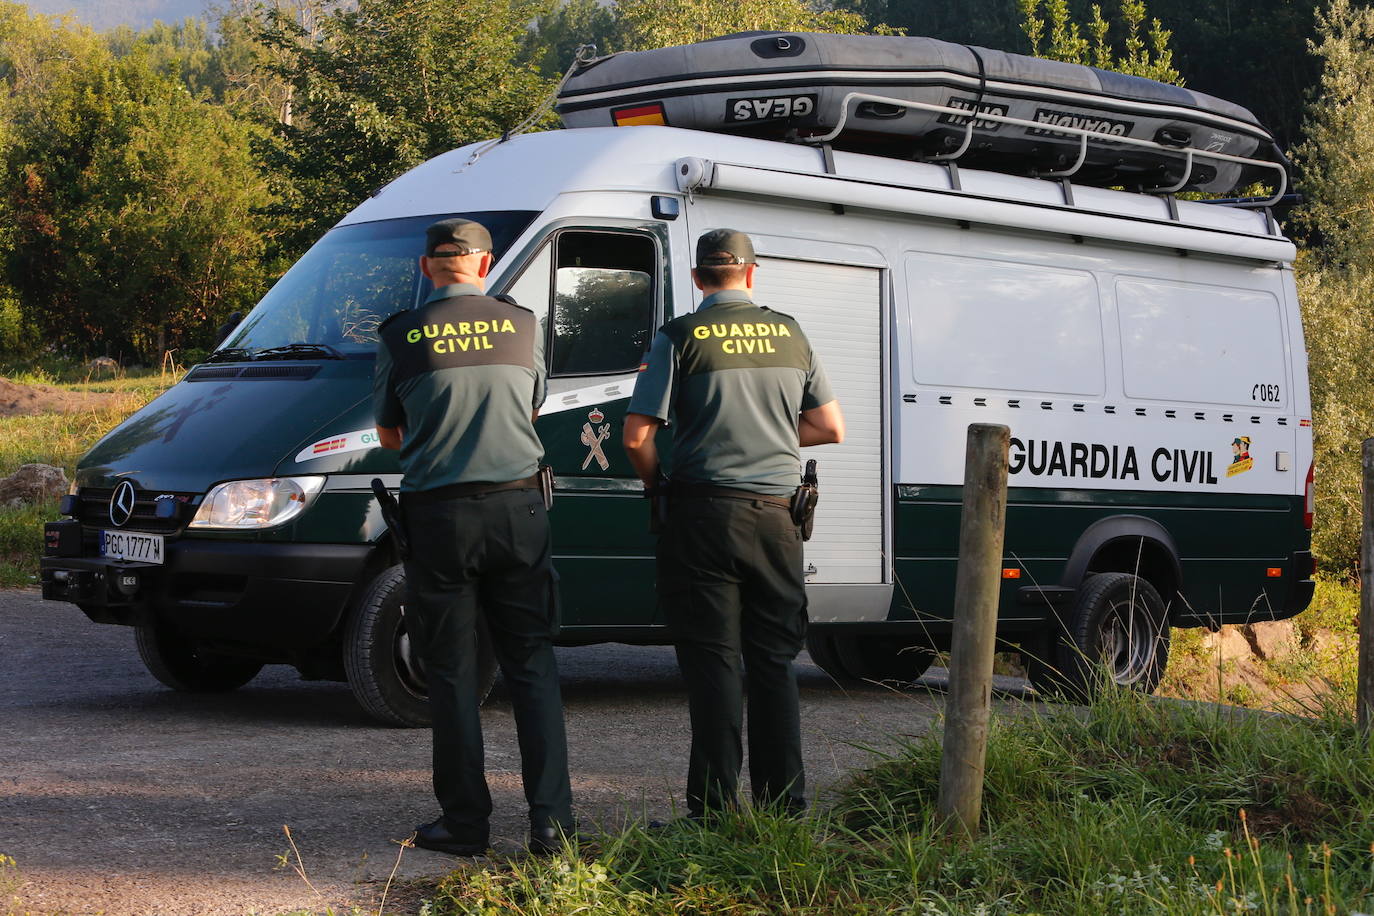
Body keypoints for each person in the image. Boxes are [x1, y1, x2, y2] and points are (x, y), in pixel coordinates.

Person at [622, 228, 845, 819]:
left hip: (703, 518)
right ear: (751, 274)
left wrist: (656, 485)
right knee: (774, 662)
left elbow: (636, 436)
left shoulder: (680, 336)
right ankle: (784, 809)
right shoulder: (790, 333)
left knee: (714, 663)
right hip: (778, 521)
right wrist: (771, 436)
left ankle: (713, 812)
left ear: (697, 278)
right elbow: (829, 427)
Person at [373, 218, 573, 856]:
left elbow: (389, 435)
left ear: (428, 266)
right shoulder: (524, 326)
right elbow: (531, 407)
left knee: (453, 673)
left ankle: (465, 824)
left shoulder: (400, 334)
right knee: (533, 666)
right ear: (484, 266)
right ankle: (552, 826)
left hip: (441, 517)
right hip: (519, 511)